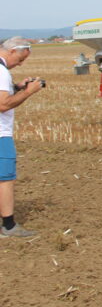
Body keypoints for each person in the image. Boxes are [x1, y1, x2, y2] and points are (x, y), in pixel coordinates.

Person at [0, 37, 44, 238]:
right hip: (1, 135)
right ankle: (8, 226)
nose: (20, 64)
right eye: (20, 59)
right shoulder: (1, 72)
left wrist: (17, 87)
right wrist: (29, 92)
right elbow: (3, 105)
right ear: (12, 51)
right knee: (5, 179)